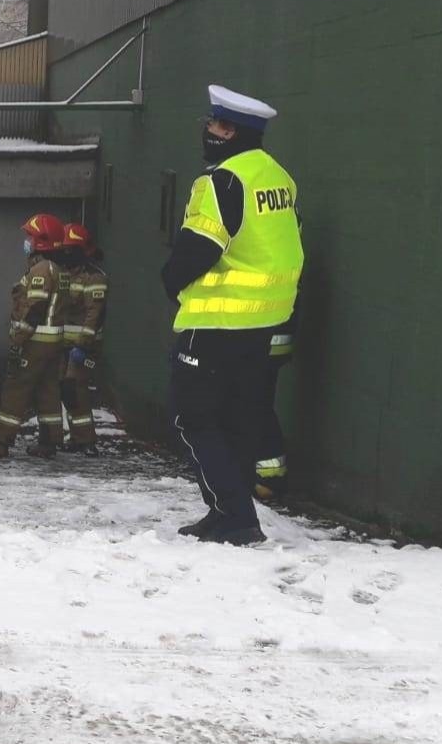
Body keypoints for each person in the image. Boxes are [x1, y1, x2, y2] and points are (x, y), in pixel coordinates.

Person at [161, 85, 303, 545]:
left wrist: (170, 280)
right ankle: (231, 513)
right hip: (265, 324)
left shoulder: (221, 181)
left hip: (217, 325)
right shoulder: (278, 177)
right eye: (210, 122)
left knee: (193, 419)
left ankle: (234, 515)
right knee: (238, 418)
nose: (209, 131)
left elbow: (196, 250)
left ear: (236, 132)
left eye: (218, 125)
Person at [0, 214, 69, 459]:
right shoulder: (59, 270)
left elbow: (34, 308)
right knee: (48, 392)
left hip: (35, 343)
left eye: (30, 237)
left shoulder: (41, 270)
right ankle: (49, 442)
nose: (27, 241)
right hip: (53, 345)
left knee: (14, 390)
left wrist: (17, 340)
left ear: (41, 241)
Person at [48, 222, 106, 456]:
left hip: (84, 346)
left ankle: (87, 440)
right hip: (63, 343)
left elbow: (95, 314)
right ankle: (78, 438)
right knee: (63, 389)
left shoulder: (94, 277)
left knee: (75, 389)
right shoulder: (63, 273)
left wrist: (83, 345)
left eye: (69, 249)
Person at [253, 310, 296, 501]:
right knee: (257, 404)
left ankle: (269, 480)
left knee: (255, 405)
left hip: (259, 337)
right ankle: (267, 478)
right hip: (269, 335)